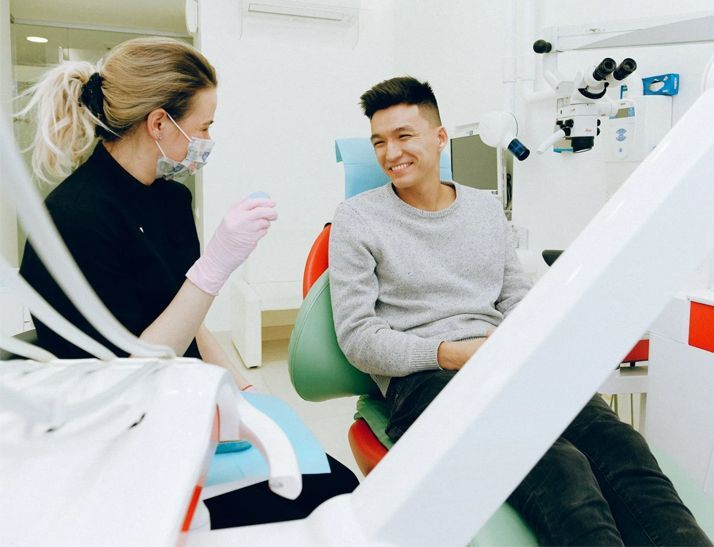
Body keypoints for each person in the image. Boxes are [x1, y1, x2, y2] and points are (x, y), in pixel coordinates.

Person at [328, 76, 711, 546]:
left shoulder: (484, 210)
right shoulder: (357, 219)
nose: (391, 153)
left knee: (621, 446)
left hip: (506, 362)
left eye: (404, 136)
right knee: (560, 466)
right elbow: (358, 338)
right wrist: (453, 353)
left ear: (440, 136)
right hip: (426, 379)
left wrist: (538, 343)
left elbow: (515, 298)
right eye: (380, 142)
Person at [18, 37, 357, 529]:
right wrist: (214, 267)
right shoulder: (75, 218)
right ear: (159, 123)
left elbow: (188, 317)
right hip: (120, 436)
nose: (207, 140)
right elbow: (127, 377)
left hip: (185, 406)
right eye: (204, 127)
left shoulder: (170, 199)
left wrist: (244, 389)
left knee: (337, 486)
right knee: (324, 504)